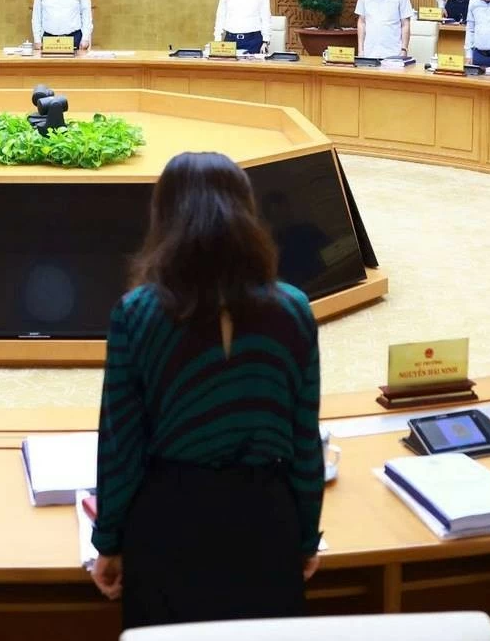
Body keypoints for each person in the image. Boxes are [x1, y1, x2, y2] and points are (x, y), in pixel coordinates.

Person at [91, 151, 322, 627]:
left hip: (168, 524)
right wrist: (304, 539)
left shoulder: (136, 313)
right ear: (246, 214)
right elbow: (304, 441)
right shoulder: (295, 309)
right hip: (267, 522)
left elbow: (121, 445)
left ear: (165, 218)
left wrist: (109, 543)